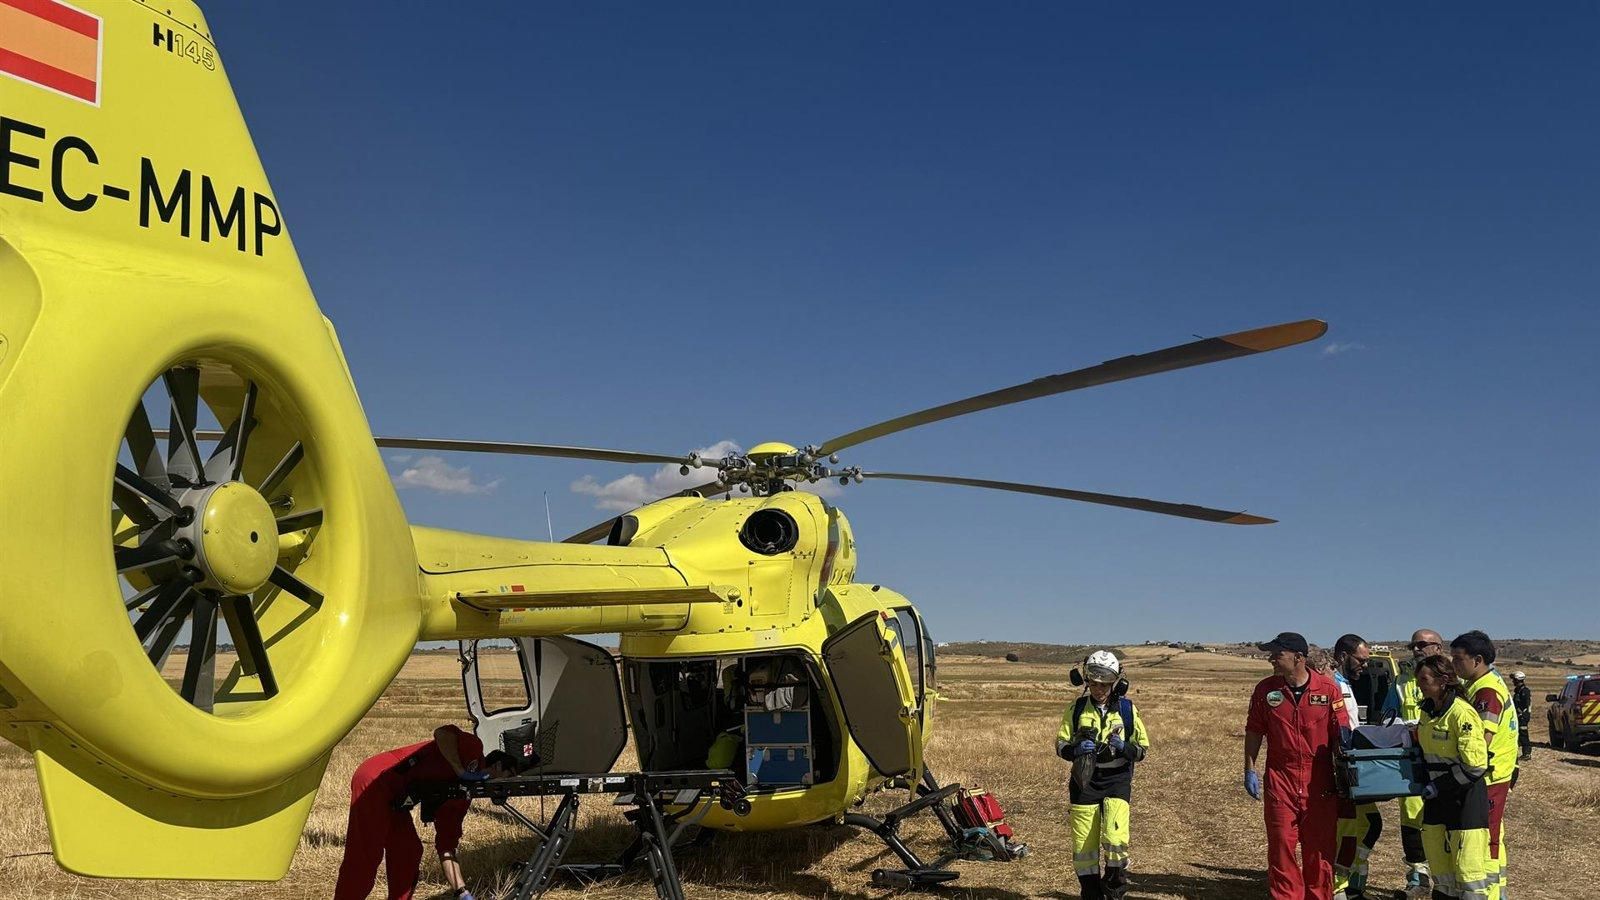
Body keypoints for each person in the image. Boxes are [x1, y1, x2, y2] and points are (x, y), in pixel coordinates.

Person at [333, 723, 519, 900]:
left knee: (409, 851)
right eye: (508, 778)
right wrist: (460, 770)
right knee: (365, 855)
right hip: (377, 779)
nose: (506, 788)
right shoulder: (473, 751)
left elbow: (446, 847)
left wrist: (462, 892)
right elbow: (443, 733)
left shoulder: (462, 797)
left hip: (397, 798)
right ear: (497, 766)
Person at [1245, 632, 1350, 900]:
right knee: (1281, 847)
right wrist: (1249, 769)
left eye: (1277, 654)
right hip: (1281, 780)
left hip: (1320, 782)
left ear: (1299, 658)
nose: (1271, 659)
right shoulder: (1266, 691)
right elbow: (1254, 731)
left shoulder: (1328, 690)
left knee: (1319, 850)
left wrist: (1349, 770)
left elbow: (1343, 732)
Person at [1055, 650, 1150, 900]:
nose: (1098, 689)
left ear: (1116, 683)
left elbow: (1141, 750)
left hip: (1117, 780)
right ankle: (1091, 893)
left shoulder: (1128, 710)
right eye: (1094, 683)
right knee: (1084, 846)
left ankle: (1115, 887)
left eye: (1105, 684)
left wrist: (1124, 747)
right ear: (1086, 680)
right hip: (1084, 781)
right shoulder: (1076, 709)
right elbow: (1061, 745)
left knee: (1115, 837)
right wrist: (1075, 749)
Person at [1413, 653, 1491, 900]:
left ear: (1443, 681)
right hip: (1436, 798)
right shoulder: (1427, 712)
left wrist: (1439, 785)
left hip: (1464, 799)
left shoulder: (1462, 714)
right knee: (1439, 863)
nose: (1419, 685)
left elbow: (1476, 765)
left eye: (1424, 680)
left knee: (1468, 869)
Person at [1450, 631, 1516, 900]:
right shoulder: (1483, 684)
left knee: (1486, 836)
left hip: (1488, 776)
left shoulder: (1486, 691)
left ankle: (1488, 893)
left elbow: (1481, 740)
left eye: (1458, 659)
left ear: (1477, 660)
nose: (1454, 664)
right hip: (1494, 774)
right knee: (1494, 834)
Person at [1381, 628, 1444, 898]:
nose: (1416, 649)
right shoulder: (1402, 680)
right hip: (1412, 760)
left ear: (1438, 649)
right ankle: (1418, 877)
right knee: (1411, 818)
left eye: (1423, 644)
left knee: (1442, 820)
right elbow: (1388, 715)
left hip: (1443, 759)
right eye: (1413, 645)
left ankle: (1446, 879)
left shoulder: (1451, 679)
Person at [1331, 634, 1381, 900]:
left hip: (1353, 768)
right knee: (1347, 833)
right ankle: (1339, 890)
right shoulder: (1331, 685)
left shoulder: (1345, 684)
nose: (1365, 665)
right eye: (1360, 660)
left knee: (1370, 825)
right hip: (1340, 773)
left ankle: (1353, 885)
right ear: (1342, 656)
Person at [1510, 672, 1533, 761]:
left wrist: (1522, 715)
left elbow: (1527, 705)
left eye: (1514, 680)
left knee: (1523, 735)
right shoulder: (1518, 691)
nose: (1513, 682)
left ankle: (1527, 753)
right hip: (1517, 716)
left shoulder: (1524, 691)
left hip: (1522, 717)